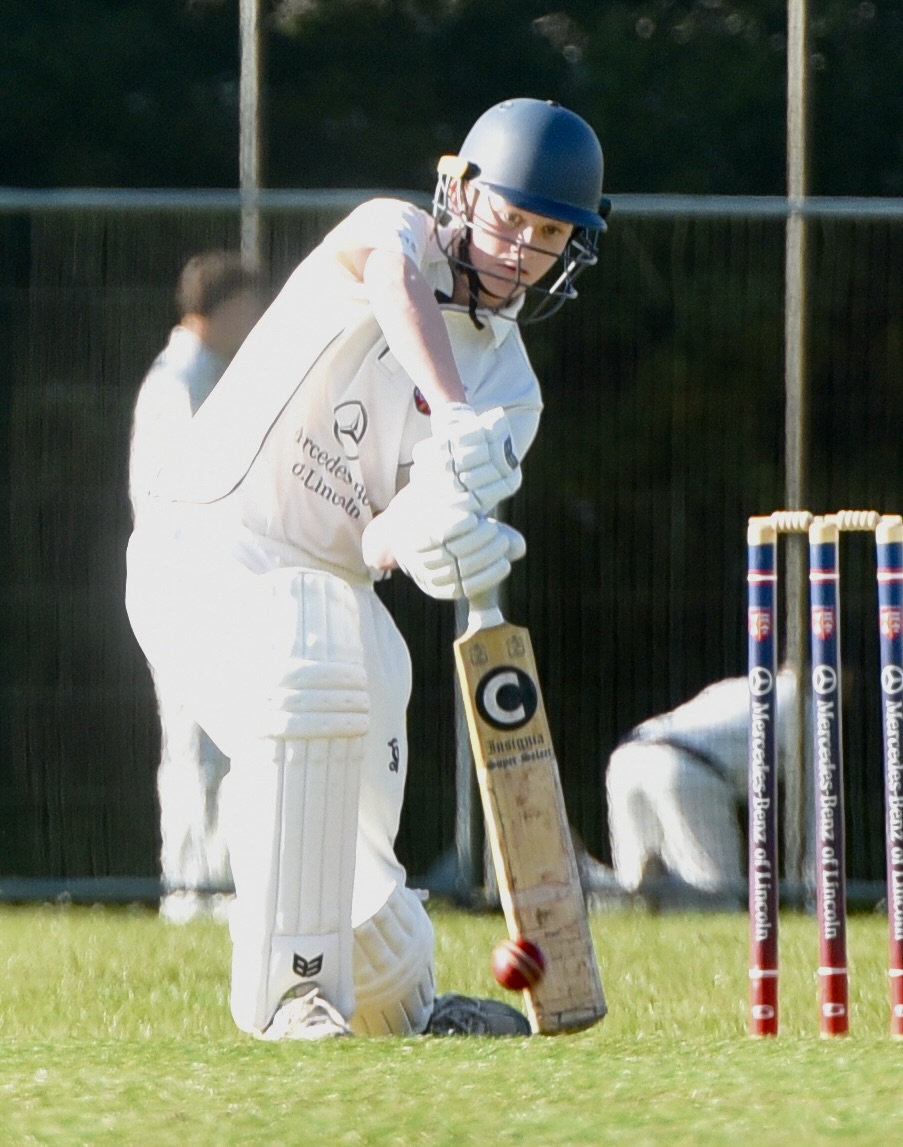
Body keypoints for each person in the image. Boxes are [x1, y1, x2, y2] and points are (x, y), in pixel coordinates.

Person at [126, 98, 609, 1040]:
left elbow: (387, 536)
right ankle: (287, 997)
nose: (520, 248)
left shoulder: (514, 390)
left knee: (352, 832)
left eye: (547, 234)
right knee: (305, 663)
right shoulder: (392, 231)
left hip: (336, 589)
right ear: (461, 192)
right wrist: (451, 403)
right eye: (508, 216)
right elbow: (392, 283)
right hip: (208, 547)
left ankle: (402, 1002)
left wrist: (434, 537)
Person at [129, 250, 264, 923]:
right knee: (196, 742)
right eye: (251, 305)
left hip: (190, 584)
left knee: (205, 739)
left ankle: (202, 884)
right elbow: (201, 487)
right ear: (226, 306)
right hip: (185, 588)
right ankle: (193, 890)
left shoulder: (191, 371)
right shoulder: (186, 377)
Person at [605, 670, 800, 905]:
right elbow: (818, 810)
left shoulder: (739, 685)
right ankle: (667, 887)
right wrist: (812, 897)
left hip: (629, 758)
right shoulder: (812, 706)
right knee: (718, 900)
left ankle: (589, 875)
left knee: (632, 895)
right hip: (688, 768)